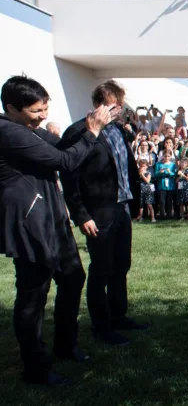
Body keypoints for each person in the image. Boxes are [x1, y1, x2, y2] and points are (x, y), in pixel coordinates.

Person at [0, 76, 112, 385]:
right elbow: (65, 158)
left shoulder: (28, 129)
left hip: (52, 219)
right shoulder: (9, 133)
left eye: (45, 108)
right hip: (30, 223)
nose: (43, 116)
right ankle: (35, 368)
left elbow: (62, 141)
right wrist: (92, 131)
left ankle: (66, 345)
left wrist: (89, 124)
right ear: (12, 108)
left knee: (73, 276)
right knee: (33, 296)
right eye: (37, 110)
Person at [60, 80, 147, 347]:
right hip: (97, 213)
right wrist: (81, 215)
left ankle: (118, 315)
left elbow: (126, 167)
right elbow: (69, 177)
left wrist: (135, 200)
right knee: (101, 269)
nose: (118, 111)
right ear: (99, 104)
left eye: (119, 106)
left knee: (121, 265)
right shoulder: (78, 132)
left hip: (120, 208)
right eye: (113, 106)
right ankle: (101, 326)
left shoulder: (118, 131)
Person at [155, 149, 177, 220]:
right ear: (163, 156)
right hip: (161, 184)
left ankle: (169, 214)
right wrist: (159, 173)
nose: (167, 157)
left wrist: (169, 172)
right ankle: (162, 215)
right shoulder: (158, 164)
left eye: (168, 156)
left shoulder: (173, 165)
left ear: (170, 157)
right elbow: (156, 174)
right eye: (165, 156)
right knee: (161, 200)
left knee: (169, 200)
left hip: (170, 185)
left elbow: (174, 174)